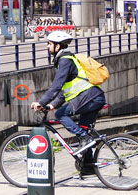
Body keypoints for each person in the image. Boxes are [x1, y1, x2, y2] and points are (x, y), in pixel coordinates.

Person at [31, 31, 106, 174]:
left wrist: (41, 102)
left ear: (57, 46)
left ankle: (85, 138)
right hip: (92, 98)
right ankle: (88, 167)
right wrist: (50, 105)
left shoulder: (65, 61)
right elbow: (65, 91)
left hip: (89, 98)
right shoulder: (66, 60)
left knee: (61, 115)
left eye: (50, 44)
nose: (48, 47)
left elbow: (56, 86)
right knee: (84, 131)